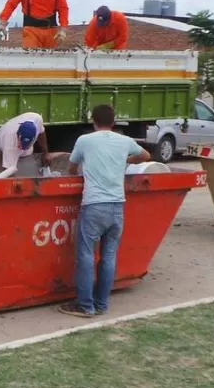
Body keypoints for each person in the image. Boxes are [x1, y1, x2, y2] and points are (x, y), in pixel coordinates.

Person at [58, 105, 150, 318]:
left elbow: (71, 168)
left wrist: (79, 168)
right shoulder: (124, 141)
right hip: (117, 206)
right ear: (114, 122)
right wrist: (125, 159)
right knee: (109, 256)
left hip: (94, 205)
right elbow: (146, 155)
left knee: (86, 255)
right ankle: (101, 304)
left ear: (93, 121)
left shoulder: (84, 140)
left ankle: (85, 305)